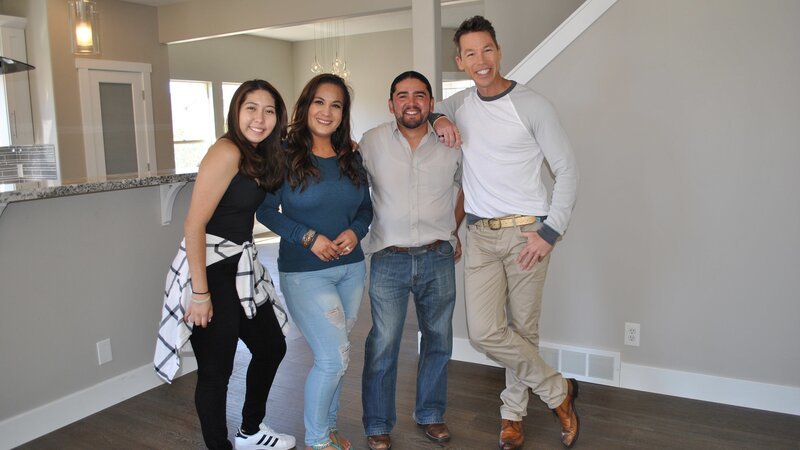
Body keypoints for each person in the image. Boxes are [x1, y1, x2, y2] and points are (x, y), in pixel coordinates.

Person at [432, 16, 581, 450]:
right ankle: (558, 391)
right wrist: (441, 120)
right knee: (484, 332)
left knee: (524, 330)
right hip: (479, 235)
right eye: (470, 54)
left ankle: (512, 416)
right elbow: (436, 106)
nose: (481, 61)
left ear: (499, 51)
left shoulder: (533, 104)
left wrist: (549, 233)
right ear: (460, 60)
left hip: (526, 236)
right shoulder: (460, 104)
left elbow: (568, 171)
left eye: (487, 50)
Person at [157, 79, 296, 450]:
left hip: (240, 266)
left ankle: (250, 432)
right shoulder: (227, 150)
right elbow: (193, 224)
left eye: (269, 110)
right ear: (236, 111)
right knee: (216, 372)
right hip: (212, 268)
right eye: (251, 107)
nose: (260, 117)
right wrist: (200, 293)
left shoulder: (261, 153)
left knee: (271, 347)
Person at [256, 73, 372, 450]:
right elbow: (265, 211)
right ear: (306, 106)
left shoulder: (351, 155)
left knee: (339, 354)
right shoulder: (284, 154)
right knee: (333, 357)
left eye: (336, 105)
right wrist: (307, 237)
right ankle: (319, 440)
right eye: (319, 102)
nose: (327, 111)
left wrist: (356, 231)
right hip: (305, 274)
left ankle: (331, 428)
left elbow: (365, 208)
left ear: (344, 113)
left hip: (352, 269)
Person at [359, 71, 463, 450]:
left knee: (438, 340)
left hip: (438, 256)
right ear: (391, 104)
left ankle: (432, 414)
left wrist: (454, 229)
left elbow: (468, 185)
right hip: (389, 257)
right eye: (402, 96)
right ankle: (377, 422)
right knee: (383, 342)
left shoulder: (450, 141)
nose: (411, 102)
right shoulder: (371, 142)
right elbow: (350, 187)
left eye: (420, 95)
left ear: (431, 104)